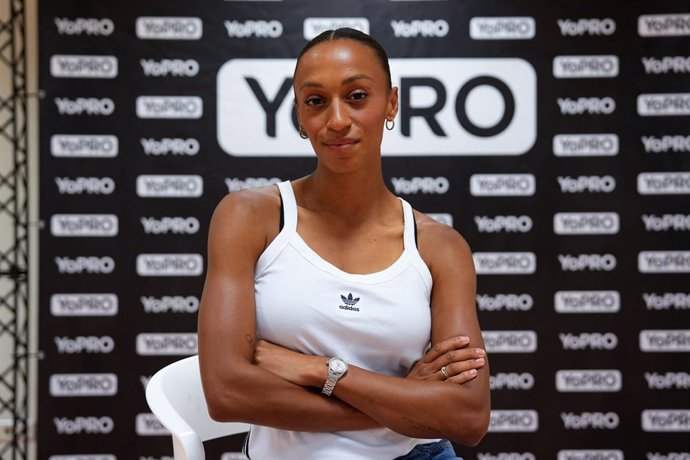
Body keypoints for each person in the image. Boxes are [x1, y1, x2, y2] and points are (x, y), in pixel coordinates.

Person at [198, 28, 490, 460]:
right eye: (316, 101)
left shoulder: (440, 246)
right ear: (299, 114)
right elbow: (226, 393)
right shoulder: (250, 217)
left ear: (391, 103)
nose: (336, 120)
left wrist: (322, 371)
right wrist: (405, 400)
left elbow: (467, 417)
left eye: (357, 96)